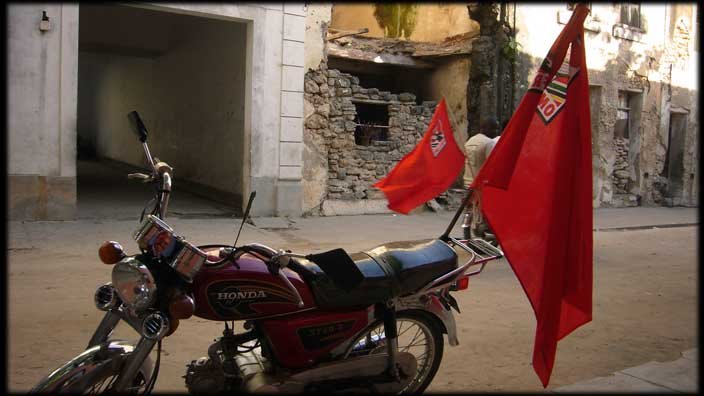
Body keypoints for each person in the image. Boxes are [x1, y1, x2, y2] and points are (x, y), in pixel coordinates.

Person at [462, 117, 501, 240]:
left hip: (468, 181)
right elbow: (492, 165)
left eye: (497, 128)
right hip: (481, 185)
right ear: (484, 128)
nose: (496, 131)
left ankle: (470, 229)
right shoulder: (489, 143)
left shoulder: (470, 141)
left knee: (470, 209)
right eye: (494, 128)